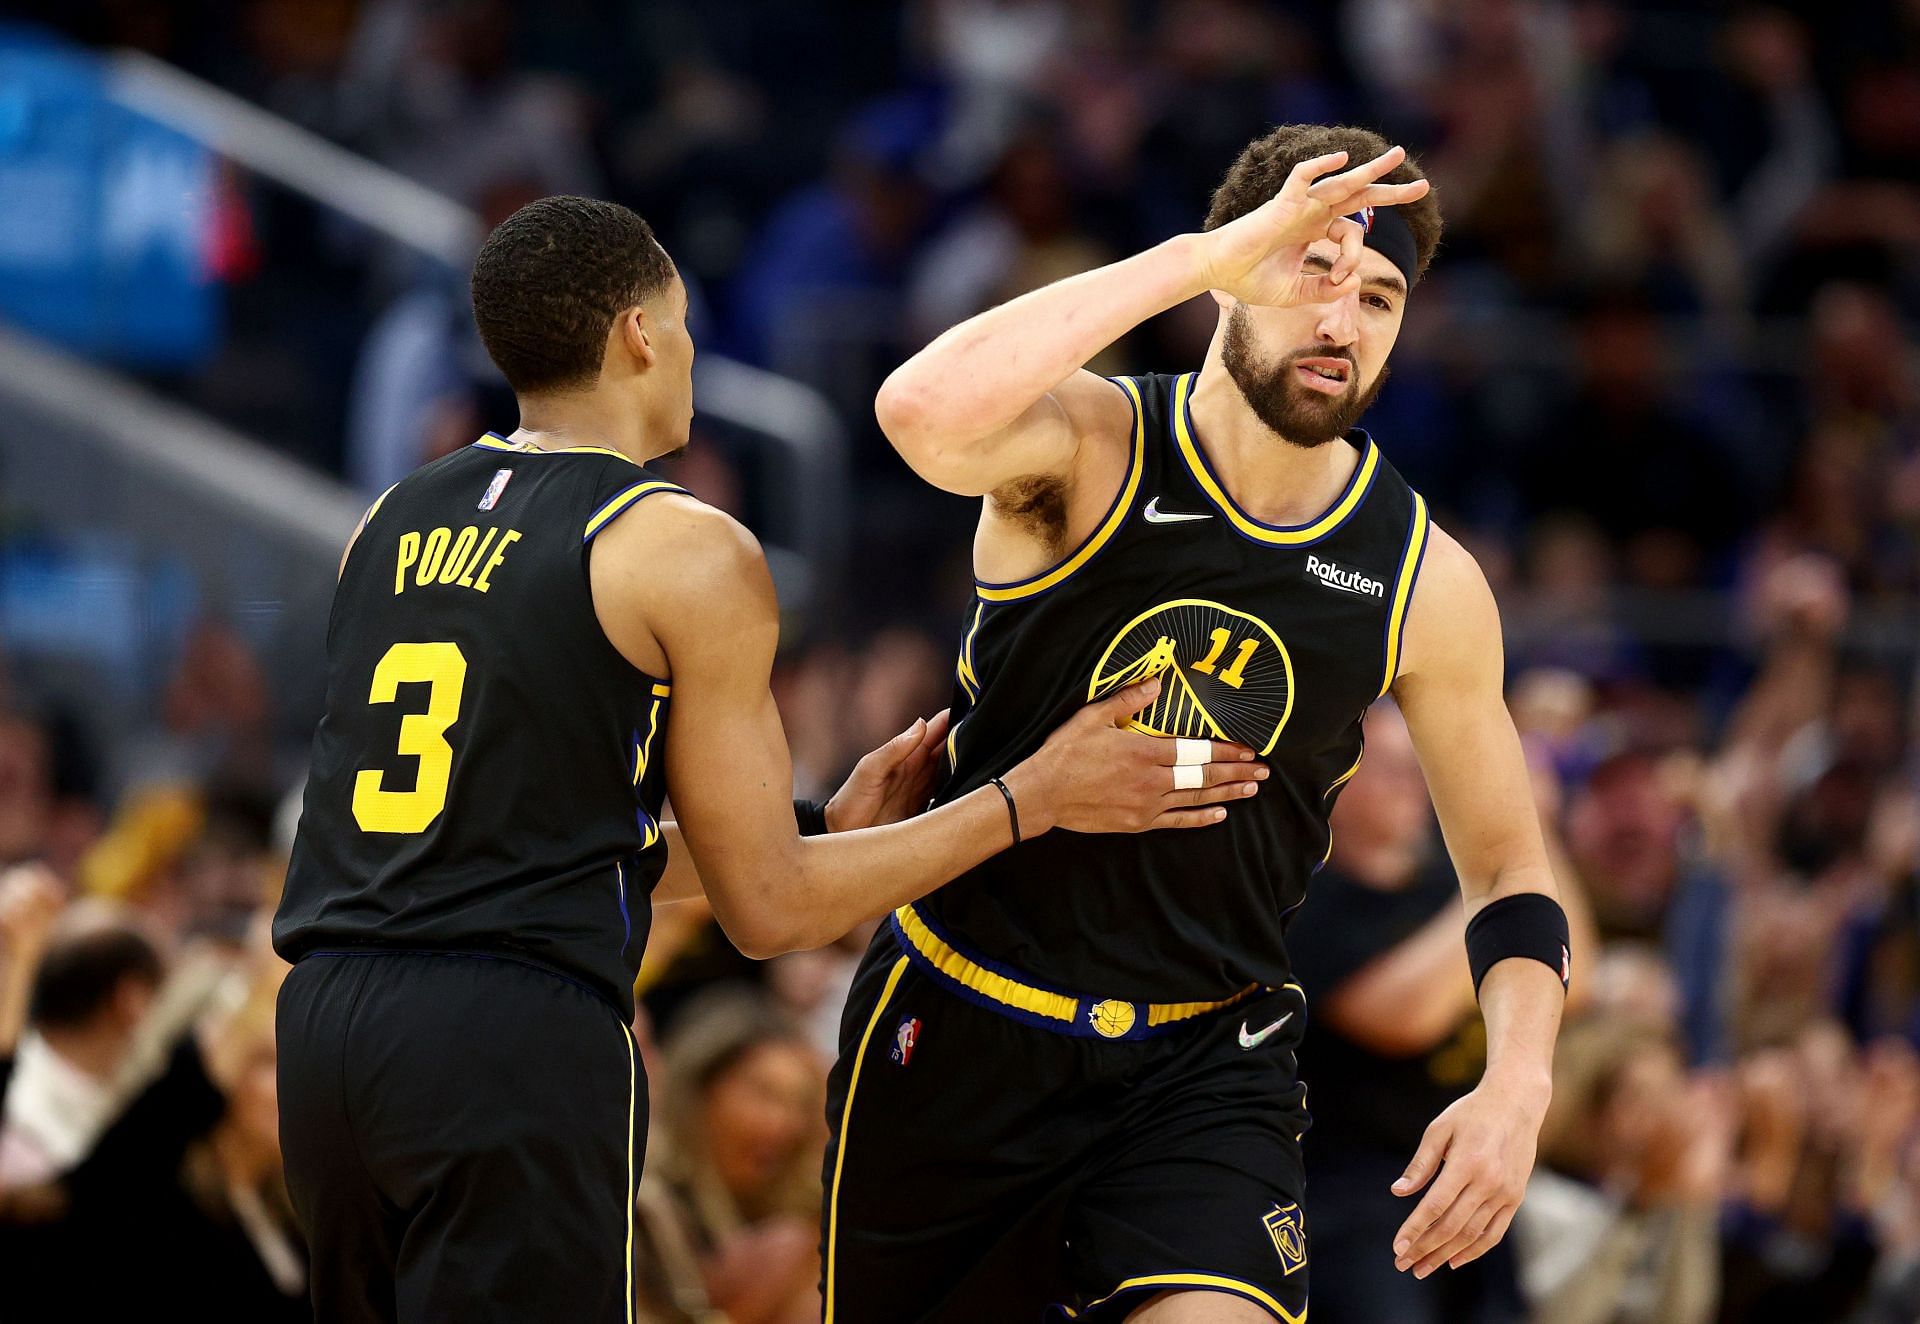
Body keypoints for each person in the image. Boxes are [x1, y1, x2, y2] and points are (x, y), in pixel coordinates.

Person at [272, 195, 1263, 1324]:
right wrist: (1029, 797)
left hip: (325, 1029)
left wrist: (831, 830)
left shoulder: (388, 522)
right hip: (508, 1037)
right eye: (684, 320)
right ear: (639, 334)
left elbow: (538, 842)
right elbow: (772, 914)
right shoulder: (684, 545)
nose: (693, 349)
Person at [828, 124, 1573, 1323]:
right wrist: (1201, 254)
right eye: (1310, 270)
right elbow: (919, 408)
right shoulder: (1086, 442)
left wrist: (1517, 1085)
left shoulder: (1424, 576)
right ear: (1234, 267)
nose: (1343, 319)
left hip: (1201, 1066)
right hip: (963, 1021)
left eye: (1378, 295)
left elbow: (1509, 871)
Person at [1287, 705, 1524, 1324]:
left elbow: (1564, 972)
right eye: (1390, 768)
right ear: (1335, 776)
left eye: (1419, 769)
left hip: (1470, 1171)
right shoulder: (1305, 898)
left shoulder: (1448, 881)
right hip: (1353, 1191)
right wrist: (1501, 895)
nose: (1412, 784)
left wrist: (1528, 837)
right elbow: (1402, 1015)